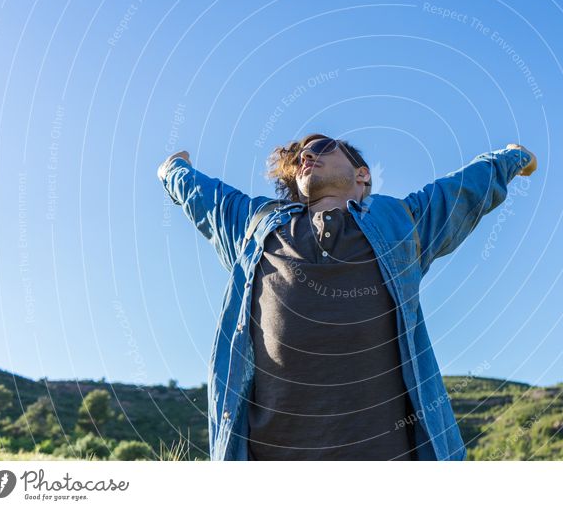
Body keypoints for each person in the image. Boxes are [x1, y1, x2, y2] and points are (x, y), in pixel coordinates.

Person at [157, 133, 537, 460]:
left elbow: (462, 190)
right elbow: (204, 196)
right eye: (301, 156)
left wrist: (510, 157)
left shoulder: (400, 220)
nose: (307, 156)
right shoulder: (256, 224)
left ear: (362, 174)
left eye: (321, 147)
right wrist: (173, 168)